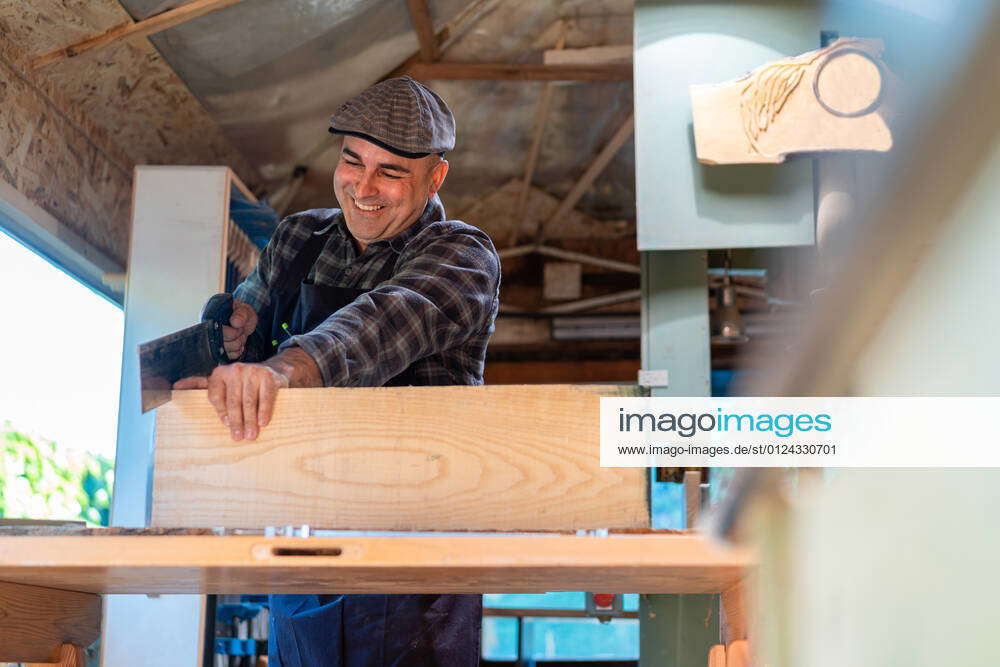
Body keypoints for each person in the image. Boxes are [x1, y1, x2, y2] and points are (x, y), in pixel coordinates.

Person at [176, 76, 500, 666]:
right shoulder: (299, 238)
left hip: (415, 559)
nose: (364, 187)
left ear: (435, 178)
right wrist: (229, 334)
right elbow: (244, 331)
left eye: (391, 172)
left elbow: (379, 326)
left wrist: (281, 370)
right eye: (353, 161)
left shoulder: (463, 255)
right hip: (306, 545)